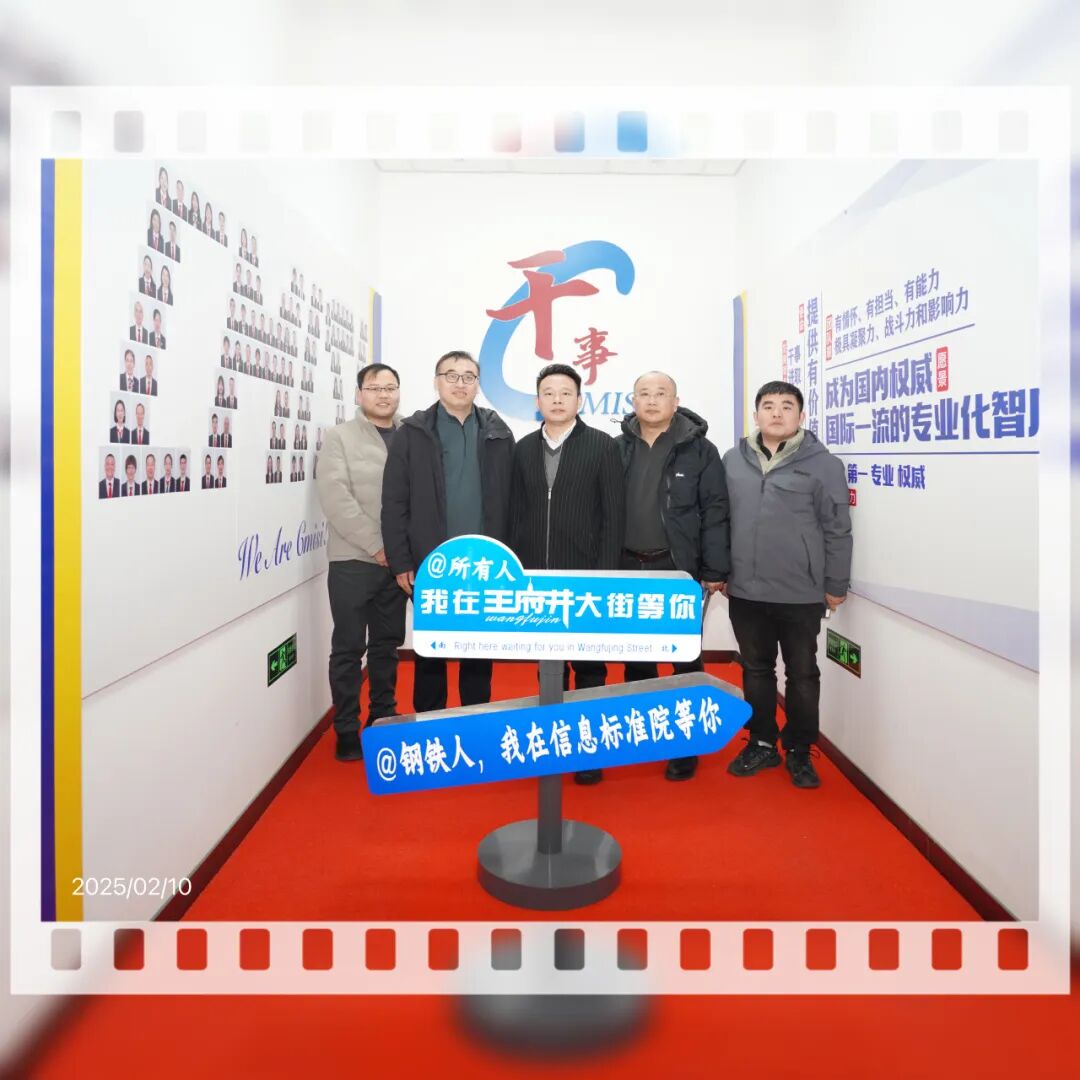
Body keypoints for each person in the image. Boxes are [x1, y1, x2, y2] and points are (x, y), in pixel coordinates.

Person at [722, 381, 853, 790]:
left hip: (801, 591)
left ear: (801, 415)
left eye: (786, 406)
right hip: (745, 590)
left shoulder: (824, 465)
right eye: (768, 405)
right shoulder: (732, 460)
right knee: (755, 670)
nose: (776, 413)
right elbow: (719, 520)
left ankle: (799, 749)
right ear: (756, 414)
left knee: (802, 674)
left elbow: (838, 528)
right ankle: (761, 742)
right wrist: (720, 571)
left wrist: (836, 582)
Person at [508, 363, 625, 784]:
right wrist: (518, 574)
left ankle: (589, 747)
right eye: (549, 393)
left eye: (565, 393)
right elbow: (515, 514)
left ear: (579, 399)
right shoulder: (522, 448)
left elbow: (614, 517)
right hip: (537, 579)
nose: (557, 400)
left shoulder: (602, 446)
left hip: (586, 577)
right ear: (538, 400)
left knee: (590, 666)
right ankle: (553, 741)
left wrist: (605, 576)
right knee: (548, 667)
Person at [382, 350, 514, 714]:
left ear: (477, 384)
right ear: (436, 381)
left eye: (469, 377)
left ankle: (475, 719)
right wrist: (400, 561)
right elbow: (393, 501)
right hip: (432, 562)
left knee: (478, 650)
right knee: (431, 651)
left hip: (484, 563)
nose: (460, 383)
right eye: (451, 375)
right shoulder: (413, 432)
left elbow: (513, 499)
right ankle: (430, 723)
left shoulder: (498, 431)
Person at [614, 371, 730, 782]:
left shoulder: (700, 451)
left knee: (684, 659)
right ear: (633, 401)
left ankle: (685, 743)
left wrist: (713, 570)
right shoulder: (616, 448)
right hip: (627, 567)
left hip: (676, 569)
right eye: (643, 393)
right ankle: (644, 732)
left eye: (660, 393)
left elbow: (716, 511)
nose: (651, 400)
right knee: (636, 657)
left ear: (675, 402)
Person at [317, 362, 408, 761]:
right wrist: (377, 545)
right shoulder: (339, 438)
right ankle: (346, 728)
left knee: (387, 645)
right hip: (353, 560)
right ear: (358, 394)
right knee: (349, 647)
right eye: (374, 387)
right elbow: (336, 498)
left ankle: (382, 715)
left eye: (390, 387)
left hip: (398, 564)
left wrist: (399, 551)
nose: (383, 394)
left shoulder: (411, 435)